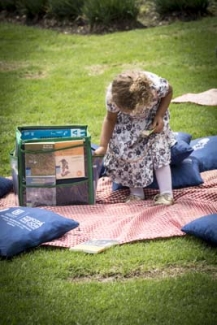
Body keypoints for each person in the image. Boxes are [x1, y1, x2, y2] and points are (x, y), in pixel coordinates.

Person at [94, 70, 176, 205]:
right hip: (127, 125)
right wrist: (103, 145)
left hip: (152, 119)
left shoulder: (155, 86)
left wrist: (159, 115)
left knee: (159, 149)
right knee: (124, 151)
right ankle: (136, 193)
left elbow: (169, 91)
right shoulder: (113, 96)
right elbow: (110, 119)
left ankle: (166, 194)